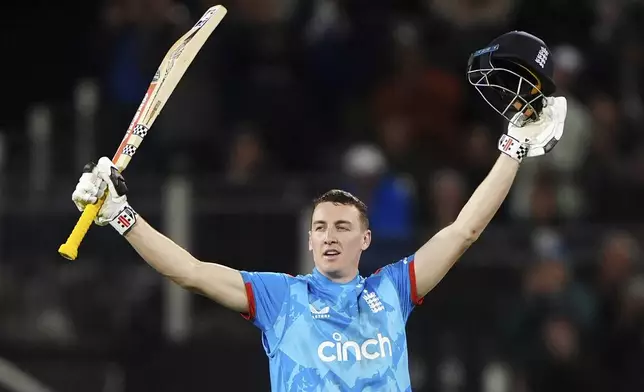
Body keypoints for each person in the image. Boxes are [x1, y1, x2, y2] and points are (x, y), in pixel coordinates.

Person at [71, 31, 568, 391]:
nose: (330, 234)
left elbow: (463, 231)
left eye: (343, 226)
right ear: (309, 241)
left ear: (365, 240)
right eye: (321, 227)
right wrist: (120, 214)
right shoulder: (279, 298)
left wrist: (512, 150)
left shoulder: (393, 289)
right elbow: (191, 272)